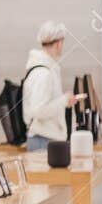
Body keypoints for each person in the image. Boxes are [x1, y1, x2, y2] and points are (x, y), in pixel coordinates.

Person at [22, 21, 81, 150]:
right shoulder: (44, 73)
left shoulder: (45, 69)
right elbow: (38, 110)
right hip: (43, 141)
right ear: (59, 43)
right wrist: (64, 100)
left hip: (44, 139)